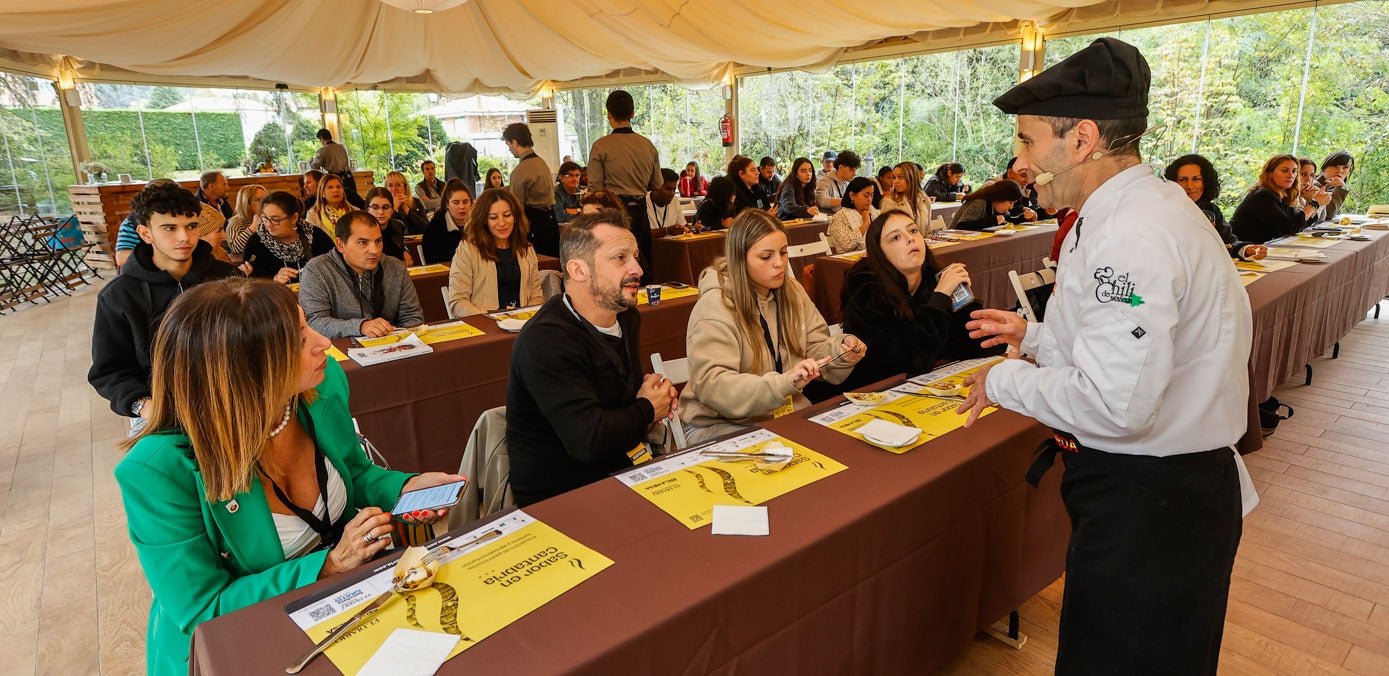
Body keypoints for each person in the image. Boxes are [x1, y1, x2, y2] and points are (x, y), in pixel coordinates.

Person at [963, 37, 1256, 674]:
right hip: (1160, 497)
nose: (1019, 161)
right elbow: (1139, 346)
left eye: (1027, 140)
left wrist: (1006, 378)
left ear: (1082, 138)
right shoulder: (1139, 210)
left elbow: (1115, 403)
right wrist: (1035, 338)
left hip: (1151, 504)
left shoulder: (1128, 234)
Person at [115, 276, 461, 675]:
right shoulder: (158, 471)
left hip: (344, 604)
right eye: (298, 340)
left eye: (307, 324)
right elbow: (203, 610)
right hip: (245, 643)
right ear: (243, 369)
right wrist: (328, 566)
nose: (324, 343)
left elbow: (353, 472)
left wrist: (405, 487)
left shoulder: (322, 384)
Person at [506, 209, 676, 505]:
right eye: (620, 258)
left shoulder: (626, 316)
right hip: (563, 498)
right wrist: (647, 408)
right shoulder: (546, 340)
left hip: (623, 469)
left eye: (634, 256)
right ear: (578, 270)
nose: (638, 269)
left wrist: (652, 394)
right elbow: (589, 441)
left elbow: (618, 401)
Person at [679, 210, 865, 443]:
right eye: (766, 257)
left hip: (781, 415)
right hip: (720, 424)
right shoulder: (715, 306)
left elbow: (815, 348)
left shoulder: (792, 291)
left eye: (784, 252)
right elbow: (714, 386)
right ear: (739, 258)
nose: (779, 264)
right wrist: (782, 383)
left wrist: (840, 351)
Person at [90, 182, 241, 430]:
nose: (184, 237)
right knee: (145, 467)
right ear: (145, 233)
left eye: (191, 226)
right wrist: (145, 405)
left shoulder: (228, 278)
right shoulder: (119, 296)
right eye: (169, 228)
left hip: (232, 399)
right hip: (161, 411)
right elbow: (110, 372)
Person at [838, 210, 997, 391]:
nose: (910, 239)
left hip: (928, 383)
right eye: (895, 238)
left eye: (913, 231)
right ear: (880, 253)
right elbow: (911, 358)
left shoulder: (932, 278)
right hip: (874, 392)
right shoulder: (866, 291)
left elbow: (983, 343)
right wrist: (941, 297)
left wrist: (962, 300)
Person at [298, 211, 425, 339]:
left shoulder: (395, 267)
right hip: (339, 351)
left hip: (393, 345)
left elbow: (413, 316)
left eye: (378, 241)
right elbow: (314, 323)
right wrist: (361, 326)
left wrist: (405, 341)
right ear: (341, 245)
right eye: (363, 243)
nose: (374, 250)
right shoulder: (317, 270)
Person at [588, 90, 665, 284]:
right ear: (632, 113)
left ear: (609, 115)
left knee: (616, 264)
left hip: (612, 212)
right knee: (641, 262)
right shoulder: (647, 145)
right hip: (640, 210)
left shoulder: (600, 146)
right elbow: (658, 184)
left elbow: (595, 188)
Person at [446, 188, 545, 317]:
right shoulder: (467, 249)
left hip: (523, 325)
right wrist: (492, 318)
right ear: (483, 220)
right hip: (485, 324)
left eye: (507, 215)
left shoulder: (526, 249)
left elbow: (536, 296)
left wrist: (525, 318)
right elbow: (458, 302)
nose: (502, 223)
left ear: (515, 217)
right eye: (493, 217)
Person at [1163, 154, 1267, 261]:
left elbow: (1228, 242)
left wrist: (1247, 250)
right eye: (1183, 180)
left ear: (1206, 182)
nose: (1190, 186)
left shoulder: (1211, 210)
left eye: (1196, 179)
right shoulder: (1164, 211)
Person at [240, 191, 334, 283]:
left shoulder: (316, 236)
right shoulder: (256, 244)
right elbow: (250, 283)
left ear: (294, 218)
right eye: (264, 218)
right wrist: (273, 280)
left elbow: (334, 267)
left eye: (275, 219)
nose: (268, 224)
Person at [1230, 154, 1326, 243]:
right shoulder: (1262, 196)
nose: (1291, 175)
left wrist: (1314, 202)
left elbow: (1301, 224)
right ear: (1270, 172)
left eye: (1294, 171)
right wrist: (1314, 203)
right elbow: (1291, 228)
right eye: (1285, 171)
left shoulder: (1283, 194)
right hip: (1243, 252)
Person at [503, 122, 560, 258]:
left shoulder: (520, 171)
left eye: (508, 145)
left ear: (515, 142)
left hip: (534, 226)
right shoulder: (542, 163)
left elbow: (517, 208)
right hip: (551, 221)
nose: (510, 150)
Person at [421, 179, 473, 264]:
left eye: (465, 202)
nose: (462, 206)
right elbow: (434, 261)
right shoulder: (435, 228)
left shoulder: (479, 223)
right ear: (447, 204)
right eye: (456, 203)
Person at [309, 128, 363, 208]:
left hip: (336, 179)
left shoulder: (323, 150)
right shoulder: (341, 147)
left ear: (322, 138)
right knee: (354, 201)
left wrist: (311, 161)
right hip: (349, 177)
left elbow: (315, 166)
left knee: (341, 204)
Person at [826, 177, 880, 253]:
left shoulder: (874, 213)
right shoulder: (839, 217)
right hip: (847, 261)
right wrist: (865, 224)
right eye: (866, 195)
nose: (870, 199)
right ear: (852, 195)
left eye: (872, 195)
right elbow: (847, 244)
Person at [880, 162, 937, 232]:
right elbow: (887, 232)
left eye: (900, 177)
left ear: (911, 178)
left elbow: (928, 230)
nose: (895, 182)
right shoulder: (889, 202)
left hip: (921, 242)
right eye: (894, 178)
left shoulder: (925, 199)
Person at [950, 179, 1027, 231]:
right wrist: (993, 220)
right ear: (1001, 197)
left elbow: (1007, 220)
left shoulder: (994, 206)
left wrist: (1023, 217)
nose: (1011, 207)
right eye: (1010, 202)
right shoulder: (980, 203)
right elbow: (961, 226)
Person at [362, 187, 413, 265]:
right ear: (368, 209)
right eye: (375, 207)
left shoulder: (398, 226)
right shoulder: (360, 230)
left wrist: (404, 251)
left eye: (386, 207)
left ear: (392, 209)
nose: (381, 212)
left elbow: (399, 246)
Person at [225, 183, 266, 255]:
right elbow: (235, 249)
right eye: (258, 200)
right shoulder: (236, 224)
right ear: (247, 203)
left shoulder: (270, 219)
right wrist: (253, 227)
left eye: (265, 199)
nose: (264, 203)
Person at [385, 171, 429, 236]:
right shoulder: (383, 206)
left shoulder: (416, 202)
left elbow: (426, 228)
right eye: (390, 185)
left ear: (405, 187)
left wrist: (407, 210)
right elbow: (389, 232)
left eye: (398, 185)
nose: (394, 189)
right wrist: (395, 209)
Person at [646, 168, 687, 236]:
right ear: (655, 188)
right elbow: (640, 234)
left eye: (674, 189)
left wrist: (695, 228)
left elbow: (683, 226)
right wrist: (666, 231)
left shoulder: (675, 200)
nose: (672, 193)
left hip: (671, 245)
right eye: (668, 189)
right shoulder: (643, 202)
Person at [777, 157, 821, 221]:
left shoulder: (809, 187)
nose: (808, 174)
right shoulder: (789, 187)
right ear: (796, 174)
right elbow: (789, 207)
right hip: (787, 224)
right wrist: (807, 210)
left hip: (802, 223)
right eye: (803, 171)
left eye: (810, 170)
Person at [1316, 150, 1354, 222]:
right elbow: (1329, 214)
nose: (1340, 171)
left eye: (1345, 167)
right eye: (1334, 166)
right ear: (1324, 168)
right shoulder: (1314, 185)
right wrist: (1341, 187)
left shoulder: (1332, 187)